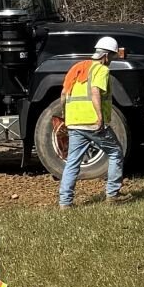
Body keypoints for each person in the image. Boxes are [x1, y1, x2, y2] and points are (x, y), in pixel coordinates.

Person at [58, 35, 124, 208]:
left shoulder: (78, 68)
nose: (112, 60)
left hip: (74, 123)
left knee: (73, 162)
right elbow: (95, 91)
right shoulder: (101, 70)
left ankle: (65, 203)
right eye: (113, 57)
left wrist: (65, 115)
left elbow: (64, 94)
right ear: (106, 56)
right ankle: (112, 195)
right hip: (92, 123)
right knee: (116, 152)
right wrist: (99, 117)